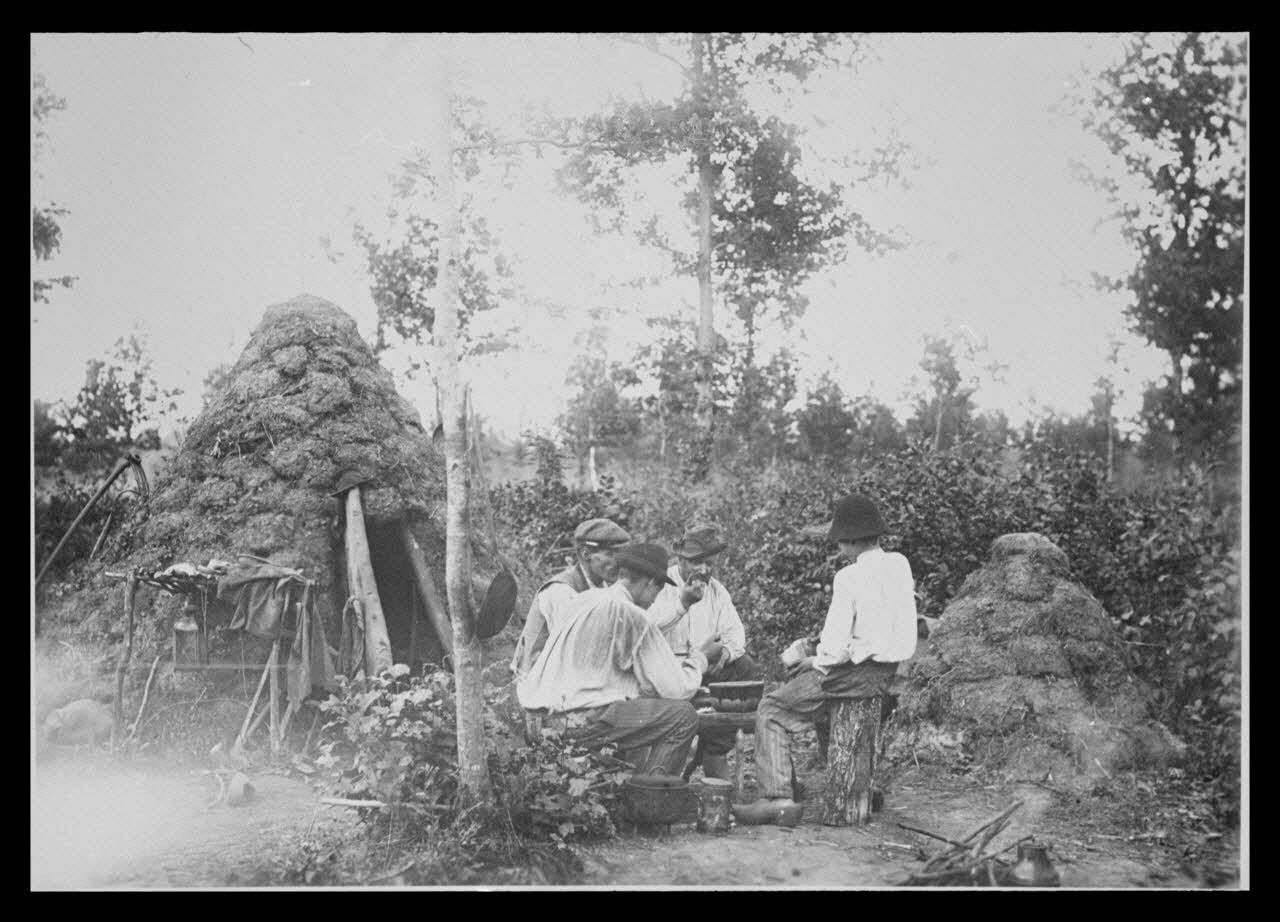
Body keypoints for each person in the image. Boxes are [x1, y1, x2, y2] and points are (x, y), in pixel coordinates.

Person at [733, 493, 918, 825]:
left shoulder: (848, 577)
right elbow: (890, 627)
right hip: (887, 672)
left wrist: (814, 660)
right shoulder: (899, 564)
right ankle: (856, 786)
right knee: (813, 704)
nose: (839, 551)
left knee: (772, 709)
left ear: (848, 541)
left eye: (840, 543)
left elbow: (835, 647)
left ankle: (776, 797)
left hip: (854, 675)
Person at [516, 543, 706, 776]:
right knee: (683, 716)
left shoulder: (585, 599)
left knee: (630, 703)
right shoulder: (632, 614)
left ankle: (621, 787)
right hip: (575, 722)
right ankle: (652, 799)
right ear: (649, 583)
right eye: (658, 591)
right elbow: (677, 690)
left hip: (536, 718)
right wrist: (699, 661)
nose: (655, 599)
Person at [646, 524, 761, 779]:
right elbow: (645, 630)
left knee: (745, 667)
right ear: (680, 558)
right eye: (696, 562)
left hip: (709, 672)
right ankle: (664, 772)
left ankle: (714, 751)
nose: (704, 570)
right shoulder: (660, 585)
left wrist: (724, 654)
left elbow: (735, 635)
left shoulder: (717, 590)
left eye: (709, 563)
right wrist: (682, 604)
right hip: (669, 674)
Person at [510, 517, 631, 676]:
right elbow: (571, 650)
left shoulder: (604, 586)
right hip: (536, 679)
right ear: (586, 554)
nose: (618, 562)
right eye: (610, 554)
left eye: (620, 555)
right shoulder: (561, 591)